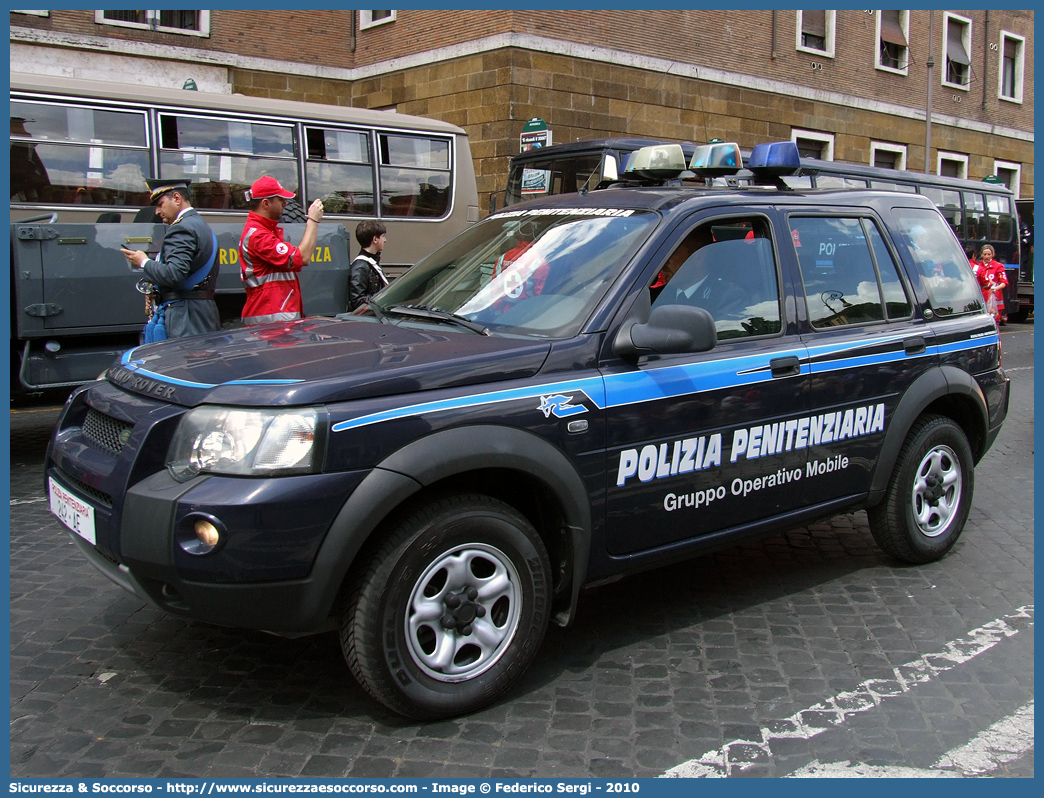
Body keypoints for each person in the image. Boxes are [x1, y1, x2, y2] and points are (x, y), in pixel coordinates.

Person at [119, 178, 220, 341]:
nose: (157, 212)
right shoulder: (199, 224)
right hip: (199, 311)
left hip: (185, 317)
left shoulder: (182, 229)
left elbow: (174, 274)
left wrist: (144, 262)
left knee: (184, 364)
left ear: (177, 198)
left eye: (160, 204)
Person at [239, 176, 326, 325]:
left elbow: (303, 258)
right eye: (280, 199)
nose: (285, 204)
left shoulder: (262, 232)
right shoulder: (258, 236)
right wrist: (313, 220)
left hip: (272, 320)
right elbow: (303, 257)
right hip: (271, 324)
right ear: (266, 203)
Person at [347, 220, 389, 311]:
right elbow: (356, 301)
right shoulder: (360, 267)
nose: (385, 240)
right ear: (375, 239)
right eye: (383, 236)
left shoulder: (371, 263)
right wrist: (380, 299)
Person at [976, 244, 1008, 325]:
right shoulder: (977, 267)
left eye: (989, 254)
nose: (987, 256)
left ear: (993, 255)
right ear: (981, 254)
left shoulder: (998, 266)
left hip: (995, 296)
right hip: (983, 295)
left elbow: (1004, 282)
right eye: (984, 254)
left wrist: (996, 288)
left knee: (995, 322)